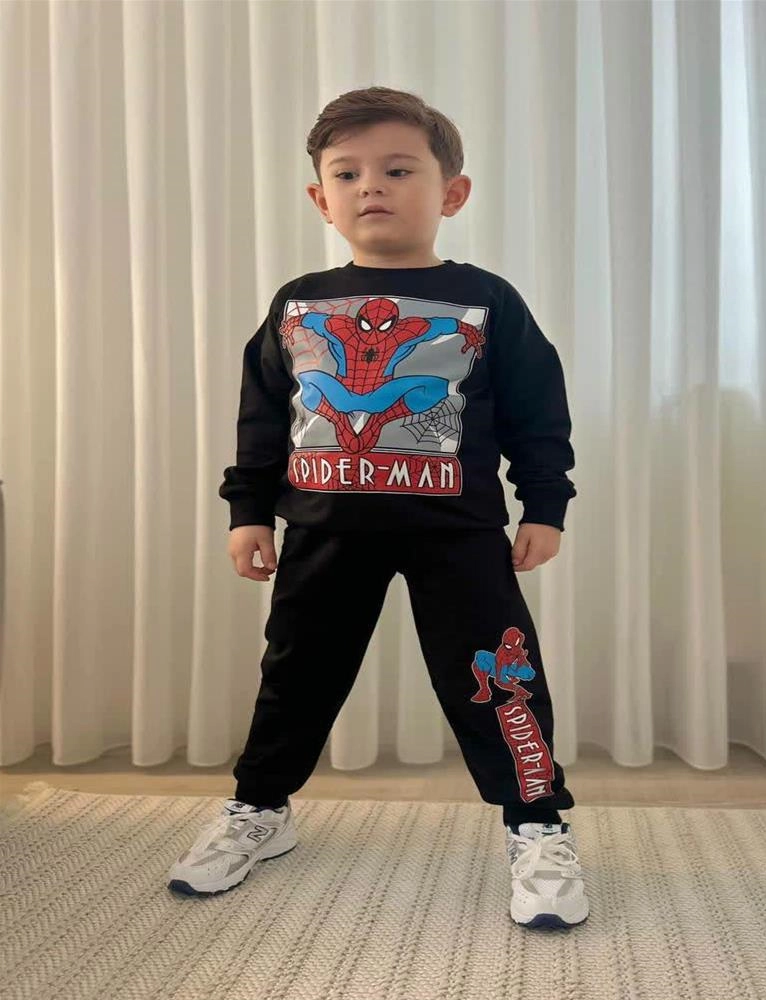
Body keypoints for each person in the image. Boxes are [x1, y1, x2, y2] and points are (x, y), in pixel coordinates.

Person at [167, 86, 588, 928]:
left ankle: (536, 822)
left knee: (500, 680)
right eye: (347, 173)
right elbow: (264, 414)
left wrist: (544, 504)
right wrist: (247, 510)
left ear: (451, 192)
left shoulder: (487, 300)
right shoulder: (298, 302)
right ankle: (261, 809)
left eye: (398, 170)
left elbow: (538, 410)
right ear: (321, 198)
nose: (371, 187)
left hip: (458, 536)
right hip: (324, 532)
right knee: (295, 676)